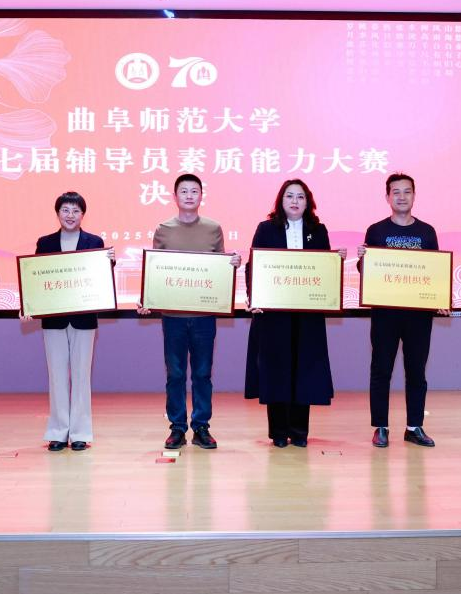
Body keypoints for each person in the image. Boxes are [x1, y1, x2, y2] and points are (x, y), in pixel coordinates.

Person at [138, 174, 241, 450]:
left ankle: (201, 426)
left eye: (194, 191)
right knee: (175, 374)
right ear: (175, 196)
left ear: (201, 196)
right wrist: (147, 297)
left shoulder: (213, 228)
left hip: (204, 316)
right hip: (173, 317)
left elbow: (219, 269)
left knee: (203, 374)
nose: (189, 196)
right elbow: (157, 270)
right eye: (183, 191)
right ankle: (177, 427)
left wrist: (232, 263)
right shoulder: (163, 229)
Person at [244, 179, 335, 448]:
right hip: (274, 315)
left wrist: (335, 264)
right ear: (280, 201)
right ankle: (278, 432)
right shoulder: (266, 229)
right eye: (289, 196)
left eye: (300, 197)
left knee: (304, 370)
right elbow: (254, 265)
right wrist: (254, 297)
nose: (295, 201)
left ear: (308, 202)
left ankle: (299, 432)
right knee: (276, 370)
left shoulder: (318, 230)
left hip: (307, 315)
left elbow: (325, 270)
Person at [357, 173, 445, 449]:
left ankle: (414, 427)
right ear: (387, 197)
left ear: (414, 196)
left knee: (416, 371)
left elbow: (435, 271)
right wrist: (362, 260)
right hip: (385, 313)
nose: (402, 197)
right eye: (396, 192)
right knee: (381, 369)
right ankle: (380, 427)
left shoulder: (427, 232)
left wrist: (440, 296)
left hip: (418, 315)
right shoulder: (376, 230)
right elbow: (368, 271)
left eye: (407, 191)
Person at [23, 191, 113, 452]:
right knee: (57, 376)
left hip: (84, 320)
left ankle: (81, 432)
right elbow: (36, 279)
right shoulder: (45, 243)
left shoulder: (95, 242)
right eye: (65, 210)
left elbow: (100, 278)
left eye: (75, 210)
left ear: (83, 214)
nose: (70, 215)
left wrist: (110, 263)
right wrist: (30, 305)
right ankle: (58, 432)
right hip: (54, 320)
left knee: (82, 376)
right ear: (57, 213)